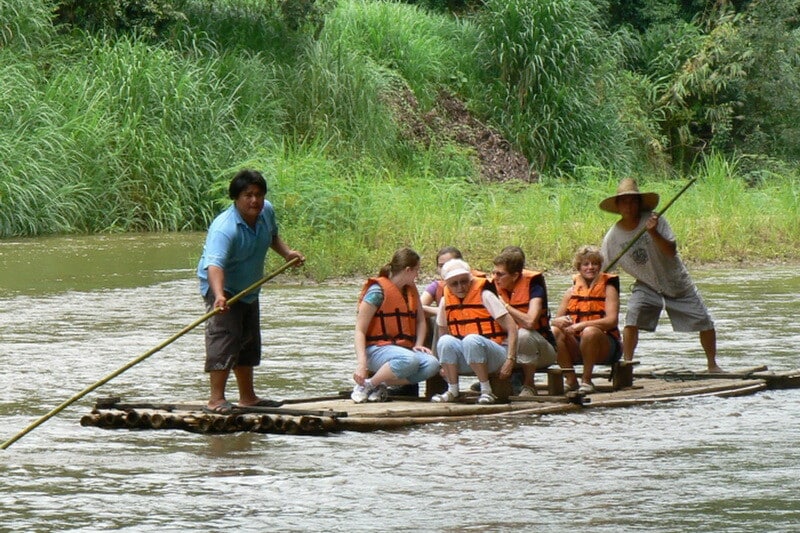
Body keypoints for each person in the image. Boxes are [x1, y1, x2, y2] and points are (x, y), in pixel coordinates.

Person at [197, 169, 305, 414]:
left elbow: (272, 236)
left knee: (248, 340)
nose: (254, 200)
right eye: (248, 195)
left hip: (249, 288)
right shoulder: (224, 228)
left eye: (258, 194)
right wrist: (220, 296)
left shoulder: (266, 211)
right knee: (224, 338)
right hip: (222, 288)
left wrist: (288, 254)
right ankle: (216, 400)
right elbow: (214, 266)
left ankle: (248, 397)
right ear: (236, 198)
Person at [599, 178, 723, 373]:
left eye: (633, 201)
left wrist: (654, 232)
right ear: (618, 206)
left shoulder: (655, 220)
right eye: (624, 201)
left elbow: (670, 250)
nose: (629, 206)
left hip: (677, 281)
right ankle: (627, 364)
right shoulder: (612, 237)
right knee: (632, 317)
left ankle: (712, 365)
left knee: (704, 321)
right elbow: (603, 270)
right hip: (646, 284)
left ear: (639, 203)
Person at [352, 247, 440, 403]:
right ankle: (366, 385)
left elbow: (420, 320)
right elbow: (360, 330)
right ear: (408, 270)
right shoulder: (376, 292)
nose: (417, 275)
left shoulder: (410, 291)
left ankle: (377, 384)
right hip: (376, 350)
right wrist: (362, 363)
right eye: (417, 271)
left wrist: (418, 344)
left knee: (432, 364)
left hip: (403, 350)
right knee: (409, 360)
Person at [433, 258, 518, 405]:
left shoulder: (485, 295)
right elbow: (442, 331)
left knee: (471, 339)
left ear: (470, 279)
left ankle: (486, 391)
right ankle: (453, 390)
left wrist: (510, 360)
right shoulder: (445, 301)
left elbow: (512, 328)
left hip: (495, 356)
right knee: (445, 341)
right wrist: (443, 365)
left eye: (464, 281)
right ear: (447, 284)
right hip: (468, 357)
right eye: (454, 283)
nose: (460, 287)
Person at [551, 245, 622, 393]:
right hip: (576, 344)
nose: (591, 267)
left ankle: (586, 380)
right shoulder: (570, 292)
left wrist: (581, 326)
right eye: (586, 264)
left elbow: (611, 321)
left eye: (595, 264)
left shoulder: (609, 289)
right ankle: (570, 379)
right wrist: (559, 322)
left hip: (605, 346)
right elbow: (556, 320)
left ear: (600, 266)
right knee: (554, 331)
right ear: (579, 267)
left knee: (589, 332)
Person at [492, 246, 557, 396]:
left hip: (541, 350)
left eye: (500, 274)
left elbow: (530, 322)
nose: (495, 277)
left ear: (515, 276)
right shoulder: (493, 287)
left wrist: (505, 306)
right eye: (494, 272)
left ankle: (529, 385)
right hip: (508, 347)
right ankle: (492, 380)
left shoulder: (534, 287)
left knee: (524, 334)